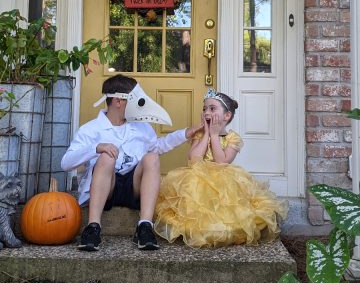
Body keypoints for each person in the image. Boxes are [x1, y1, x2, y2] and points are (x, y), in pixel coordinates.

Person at [61, 74, 201, 252]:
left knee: (151, 157)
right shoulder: (90, 129)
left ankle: (144, 226)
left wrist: (185, 133)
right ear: (119, 101)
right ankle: (93, 227)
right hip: (105, 186)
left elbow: (157, 146)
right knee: (106, 157)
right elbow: (66, 164)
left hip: (133, 186)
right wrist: (96, 148)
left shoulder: (141, 127)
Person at [154, 88, 288, 248]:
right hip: (197, 178)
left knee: (225, 208)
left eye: (212, 108)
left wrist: (215, 135)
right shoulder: (198, 134)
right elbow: (194, 159)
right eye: (204, 109)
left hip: (223, 180)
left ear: (227, 116)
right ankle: (197, 229)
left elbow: (221, 162)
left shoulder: (233, 138)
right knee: (195, 194)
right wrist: (205, 134)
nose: (206, 112)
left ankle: (222, 230)